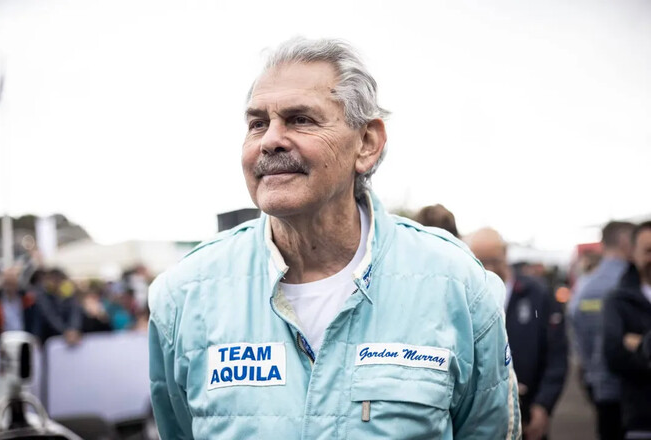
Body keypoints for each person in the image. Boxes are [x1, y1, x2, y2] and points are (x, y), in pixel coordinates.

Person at [148, 37, 520, 439]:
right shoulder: (185, 295)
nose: (270, 140)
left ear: (367, 143)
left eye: (300, 119)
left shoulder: (456, 284)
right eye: (257, 123)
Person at [468, 228, 567, 440]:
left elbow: (556, 354)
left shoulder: (536, 293)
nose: (489, 268)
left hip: (529, 413)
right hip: (482, 419)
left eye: (494, 260)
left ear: (505, 254)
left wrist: (543, 405)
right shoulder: (467, 297)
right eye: (481, 261)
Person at [569, 221, 635, 440]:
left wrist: (592, 375)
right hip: (635, 389)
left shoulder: (585, 286)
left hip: (601, 387)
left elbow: (578, 336)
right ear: (625, 242)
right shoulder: (630, 281)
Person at [603, 221, 651, 439]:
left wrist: (640, 344)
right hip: (642, 419)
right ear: (633, 253)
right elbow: (614, 356)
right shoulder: (618, 300)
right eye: (648, 251)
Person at [0, 267, 39, 340]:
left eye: (12, 283)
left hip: (24, 335)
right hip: (2, 338)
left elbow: (34, 322)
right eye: (7, 283)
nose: (9, 287)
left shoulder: (27, 299)